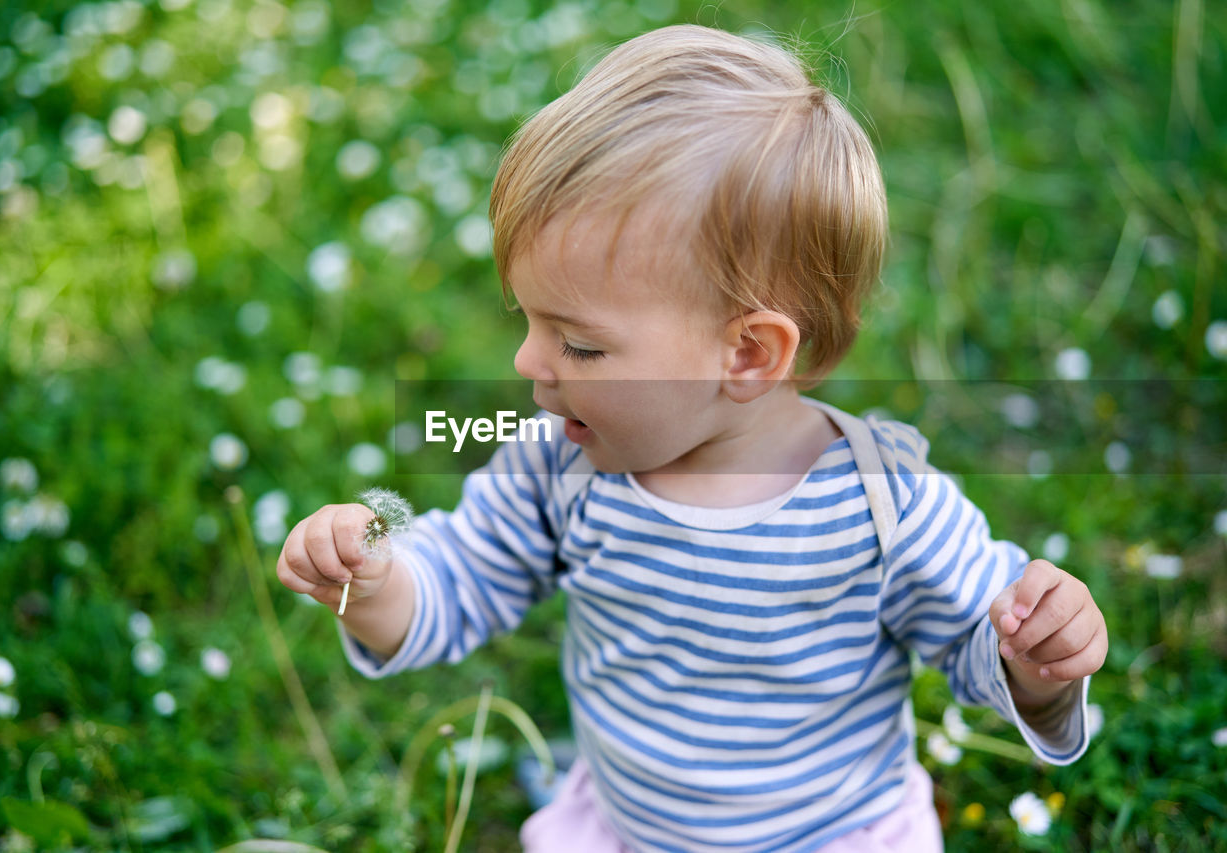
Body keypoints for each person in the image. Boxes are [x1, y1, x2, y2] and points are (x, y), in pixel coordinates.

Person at [276, 24, 1107, 852]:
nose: (528, 360)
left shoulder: (883, 505)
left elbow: (979, 640)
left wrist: (1035, 667)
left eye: (580, 343)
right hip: (627, 827)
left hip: (834, 836)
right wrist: (373, 585)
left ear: (746, 354)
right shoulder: (559, 462)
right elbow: (460, 577)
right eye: (528, 321)